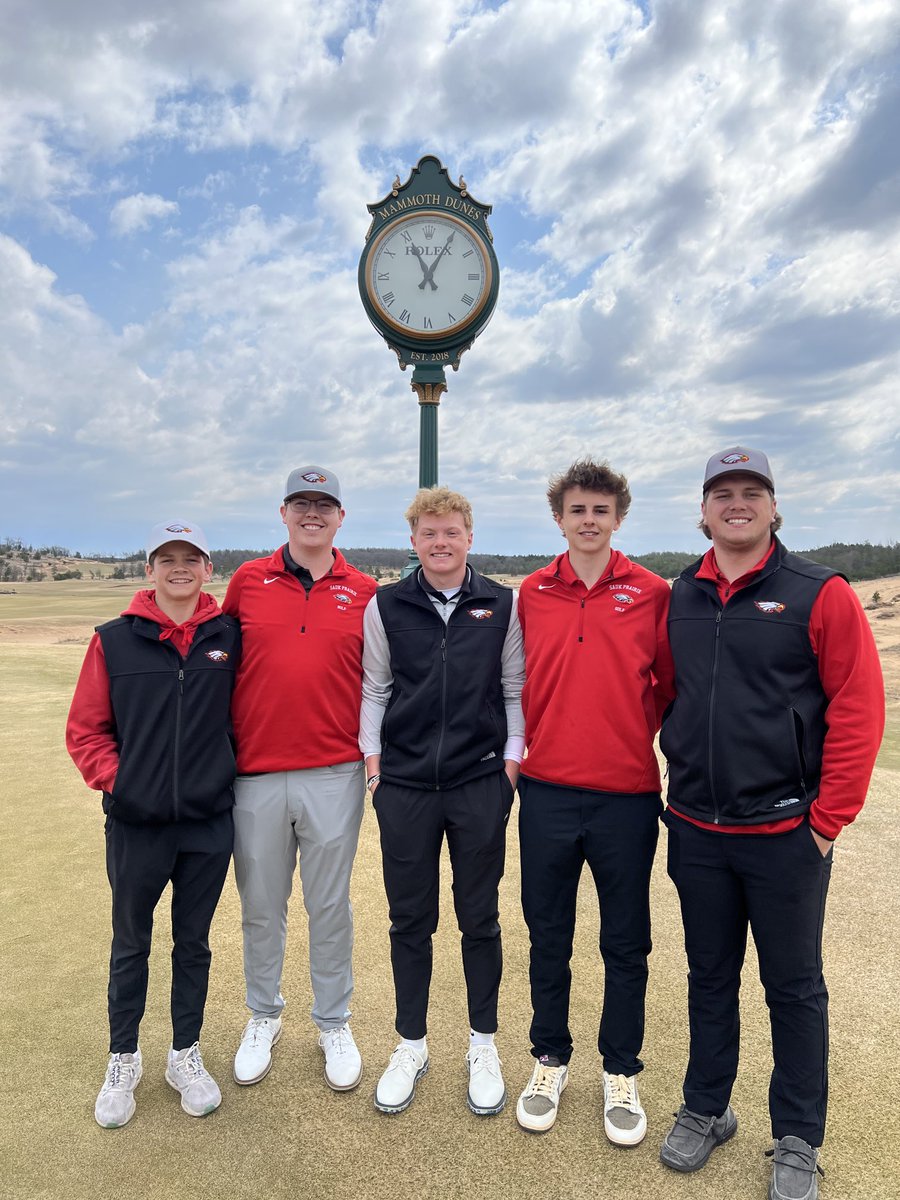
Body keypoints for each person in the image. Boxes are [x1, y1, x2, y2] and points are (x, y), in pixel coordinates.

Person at [658, 446, 884, 1200]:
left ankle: (795, 1135)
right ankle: (706, 1107)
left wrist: (827, 820)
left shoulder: (819, 592)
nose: (737, 503)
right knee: (709, 978)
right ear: (704, 510)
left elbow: (857, 706)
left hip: (787, 834)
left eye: (751, 491)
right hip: (696, 827)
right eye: (723, 493)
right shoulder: (682, 594)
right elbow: (664, 690)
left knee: (793, 987)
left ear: (774, 506)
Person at [513, 459, 675, 1140]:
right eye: (577, 510)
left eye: (600, 511)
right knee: (548, 935)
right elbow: (516, 681)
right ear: (559, 518)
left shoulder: (651, 592)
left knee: (625, 942)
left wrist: (622, 734)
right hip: (546, 792)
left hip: (626, 797)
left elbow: (666, 685)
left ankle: (621, 1070)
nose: (588, 521)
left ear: (618, 518)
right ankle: (550, 1057)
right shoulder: (532, 593)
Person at [66, 521, 241, 1127]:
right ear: (150, 570)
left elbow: (246, 718)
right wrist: (127, 784)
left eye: (190, 558)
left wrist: (223, 774)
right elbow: (86, 732)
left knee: (192, 944)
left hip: (208, 822)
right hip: (137, 823)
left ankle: (184, 1053)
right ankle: (123, 1058)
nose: (179, 568)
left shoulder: (228, 636)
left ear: (206, 567)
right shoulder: (113, 640)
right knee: (131, 943)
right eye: (166, 559)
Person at [359, 486, 525, 1116]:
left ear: (469, 538)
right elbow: (375, 690)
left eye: (451, 532)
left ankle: (483, 1043)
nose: (440, 542)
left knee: (479, 918)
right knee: (411, 920)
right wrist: (374, 769)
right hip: (402, 787)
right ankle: (411, 1043)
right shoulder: (386, 606)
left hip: (480, 782)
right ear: (413, 542)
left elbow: (514, 691)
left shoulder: (500, 605)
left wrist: (510, 767)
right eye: (428, 533)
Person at [223, 467, 377, 1092]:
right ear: (283, 512)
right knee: (261, 906)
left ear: (341, 517)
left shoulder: (364, 590)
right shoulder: (247, 582)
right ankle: (264, 1014)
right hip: (255, 773)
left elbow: (381, 682)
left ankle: (332, 1021)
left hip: (334, 773)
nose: (313, 513)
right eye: (302, 504)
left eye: (325, 504)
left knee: (328, 906)